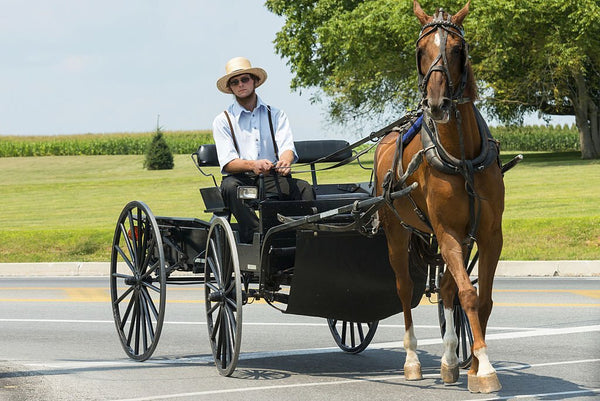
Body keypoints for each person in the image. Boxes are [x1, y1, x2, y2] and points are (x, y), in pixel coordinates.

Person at [212, 57, 315, 243]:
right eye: (235, 82)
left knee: (304, 189)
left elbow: (287, 147)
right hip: (242, 179)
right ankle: (257, 236)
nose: (241, 85)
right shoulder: (223, 120)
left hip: (272, 176)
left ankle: (302, 240)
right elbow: (228, 163)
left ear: (255, 81)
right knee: (229, 187)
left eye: (245, 79)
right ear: (231, 88)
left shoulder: (275, 114)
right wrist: (253, 165)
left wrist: (285, 161)